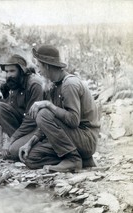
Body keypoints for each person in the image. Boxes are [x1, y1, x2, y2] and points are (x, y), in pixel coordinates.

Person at [19, 44, 100, 172]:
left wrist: (48, 104)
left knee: (43, 113)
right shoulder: (53, 85)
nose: (38, 71)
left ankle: (73, 160)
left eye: (39, 66)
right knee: (31, 158)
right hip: (72, 139)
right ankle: (83, 160)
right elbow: (50, 124)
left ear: (46, 65)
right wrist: (30, 143)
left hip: (86, 139)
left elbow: (73, 121)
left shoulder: (69, 84)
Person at [0, 54, 44, 159]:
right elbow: (12, 110)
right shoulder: (14, 83)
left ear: (22, 70)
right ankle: (18, 143)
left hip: (36, 128)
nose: (8, 75)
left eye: (12, 71)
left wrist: (10, 140)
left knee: (14, 151)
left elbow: (31, 120)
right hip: (23, 126)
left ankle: (36, 146)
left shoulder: (34, 84)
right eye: (7, 71)